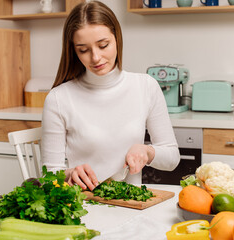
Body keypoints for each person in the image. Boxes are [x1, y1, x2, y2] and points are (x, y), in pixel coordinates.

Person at [41, 0, 180, 191]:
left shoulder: (145, 86)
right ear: (73, 51)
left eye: (103, 45)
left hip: (131, 205)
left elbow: (172, 158)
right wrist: (69, 174)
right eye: (83, 50)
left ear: (117, 38)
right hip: (84, 206)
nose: (95, 57)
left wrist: (147, 151)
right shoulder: (58, 99)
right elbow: (49, 176)